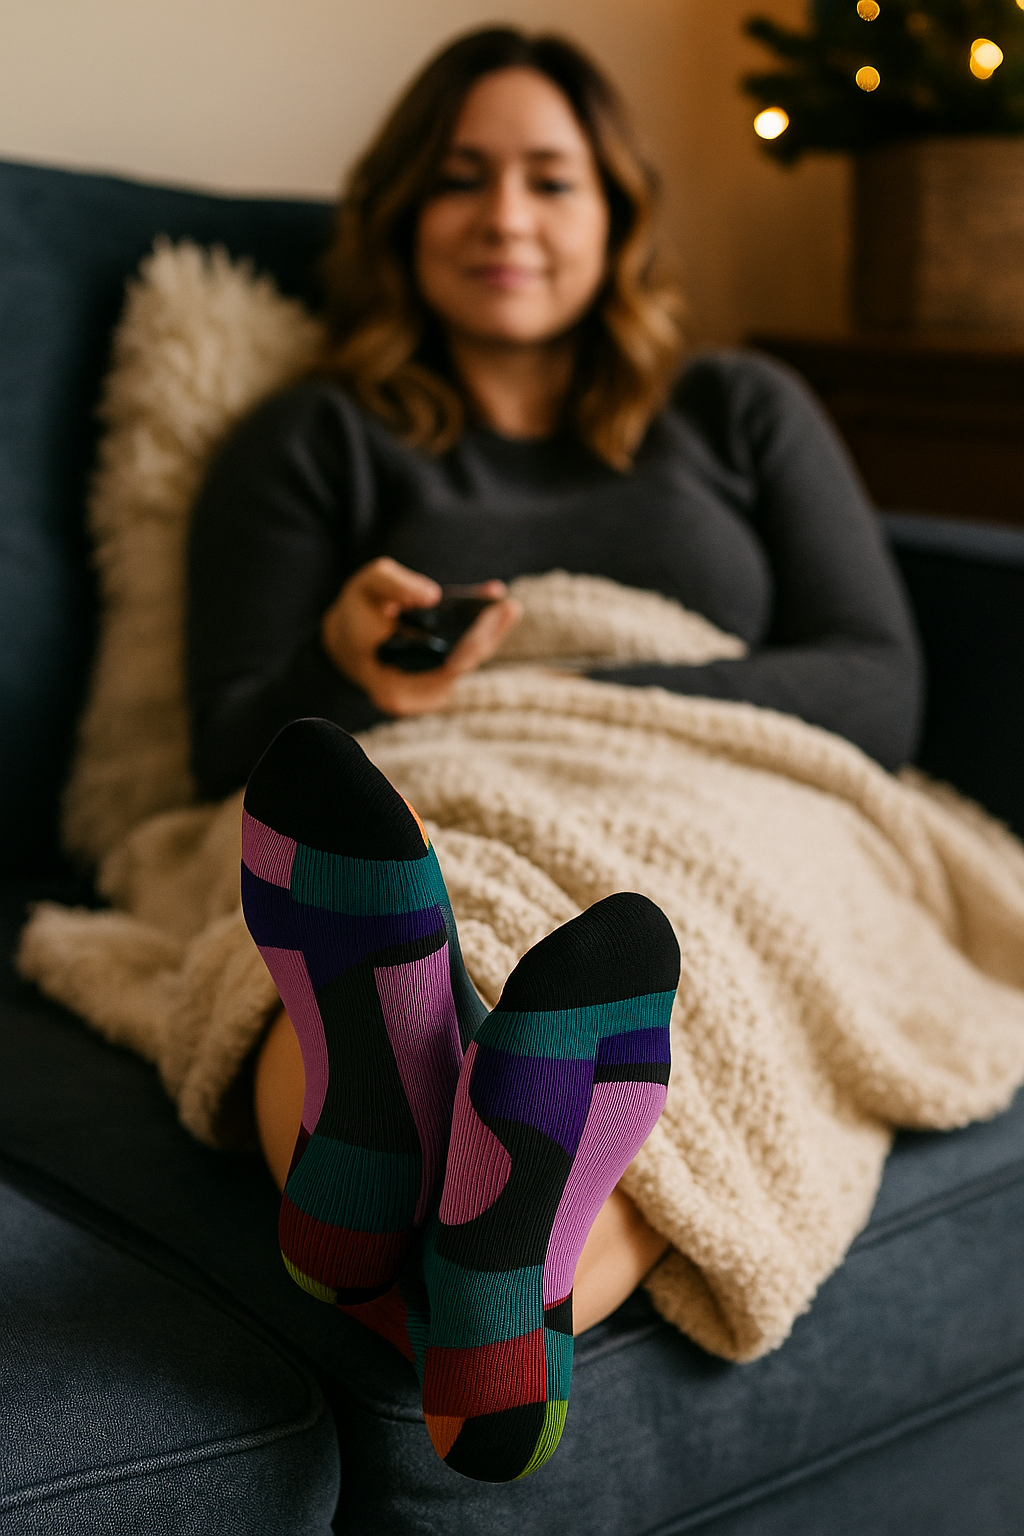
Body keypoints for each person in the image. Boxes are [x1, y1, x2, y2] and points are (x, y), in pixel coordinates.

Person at [187, 26, 921, 1482]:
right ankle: (487, 1292)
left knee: (684, 948)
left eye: (549, 179)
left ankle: (362, 1210)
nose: (506, 217)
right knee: (396, 887)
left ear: (617, 213)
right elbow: (230, 745)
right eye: (461, 179)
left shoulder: (739, 407)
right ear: (401, 212)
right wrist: (343, 663)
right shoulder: (307, 440)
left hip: (724, 781)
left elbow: (880, 683)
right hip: (444, 760)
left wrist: (584, 677)